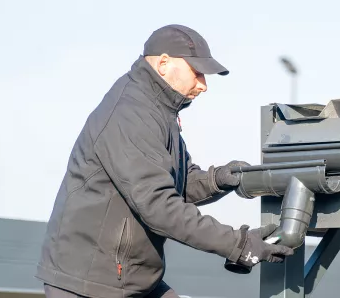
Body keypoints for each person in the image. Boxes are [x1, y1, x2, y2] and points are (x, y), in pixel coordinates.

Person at [35, 24, 294, 298]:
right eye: (197, 73)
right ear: (163, 64)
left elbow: (175, 184)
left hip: (133, 279)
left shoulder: (160, 110)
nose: (203, 85)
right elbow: (159, 206)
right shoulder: (131, 113)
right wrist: (239, 245)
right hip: (91, 283)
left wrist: (218, 179)